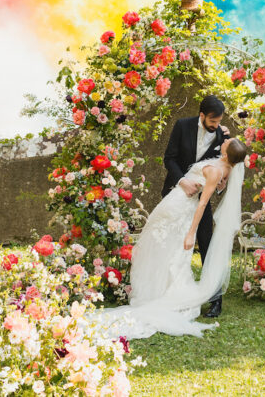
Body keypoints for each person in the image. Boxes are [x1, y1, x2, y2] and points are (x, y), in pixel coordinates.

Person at [96, 138, 247, 339]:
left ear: (227, 154)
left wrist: (191, 233)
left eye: (228, 142)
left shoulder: (215, 171)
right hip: (174, 202)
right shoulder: (225, 166)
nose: (226, 140)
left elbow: (202, 204)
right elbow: (222, 176)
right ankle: (156, 291)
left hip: (181, 209)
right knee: (159, 246)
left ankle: (165, 294)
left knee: (171, 251)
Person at [161, 95, 230, 318]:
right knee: (170, 244)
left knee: (207, 245)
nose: (216, 126)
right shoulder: (182, 126)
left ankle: (215, 300)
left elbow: (222, 169)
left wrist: (220, 184)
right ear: (202, 115)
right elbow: (169, 158)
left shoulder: (222, 135)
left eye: (219, 122)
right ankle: (166, 293)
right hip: (176, 194)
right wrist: (183, 181)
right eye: (212, 122)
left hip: (202, 200)